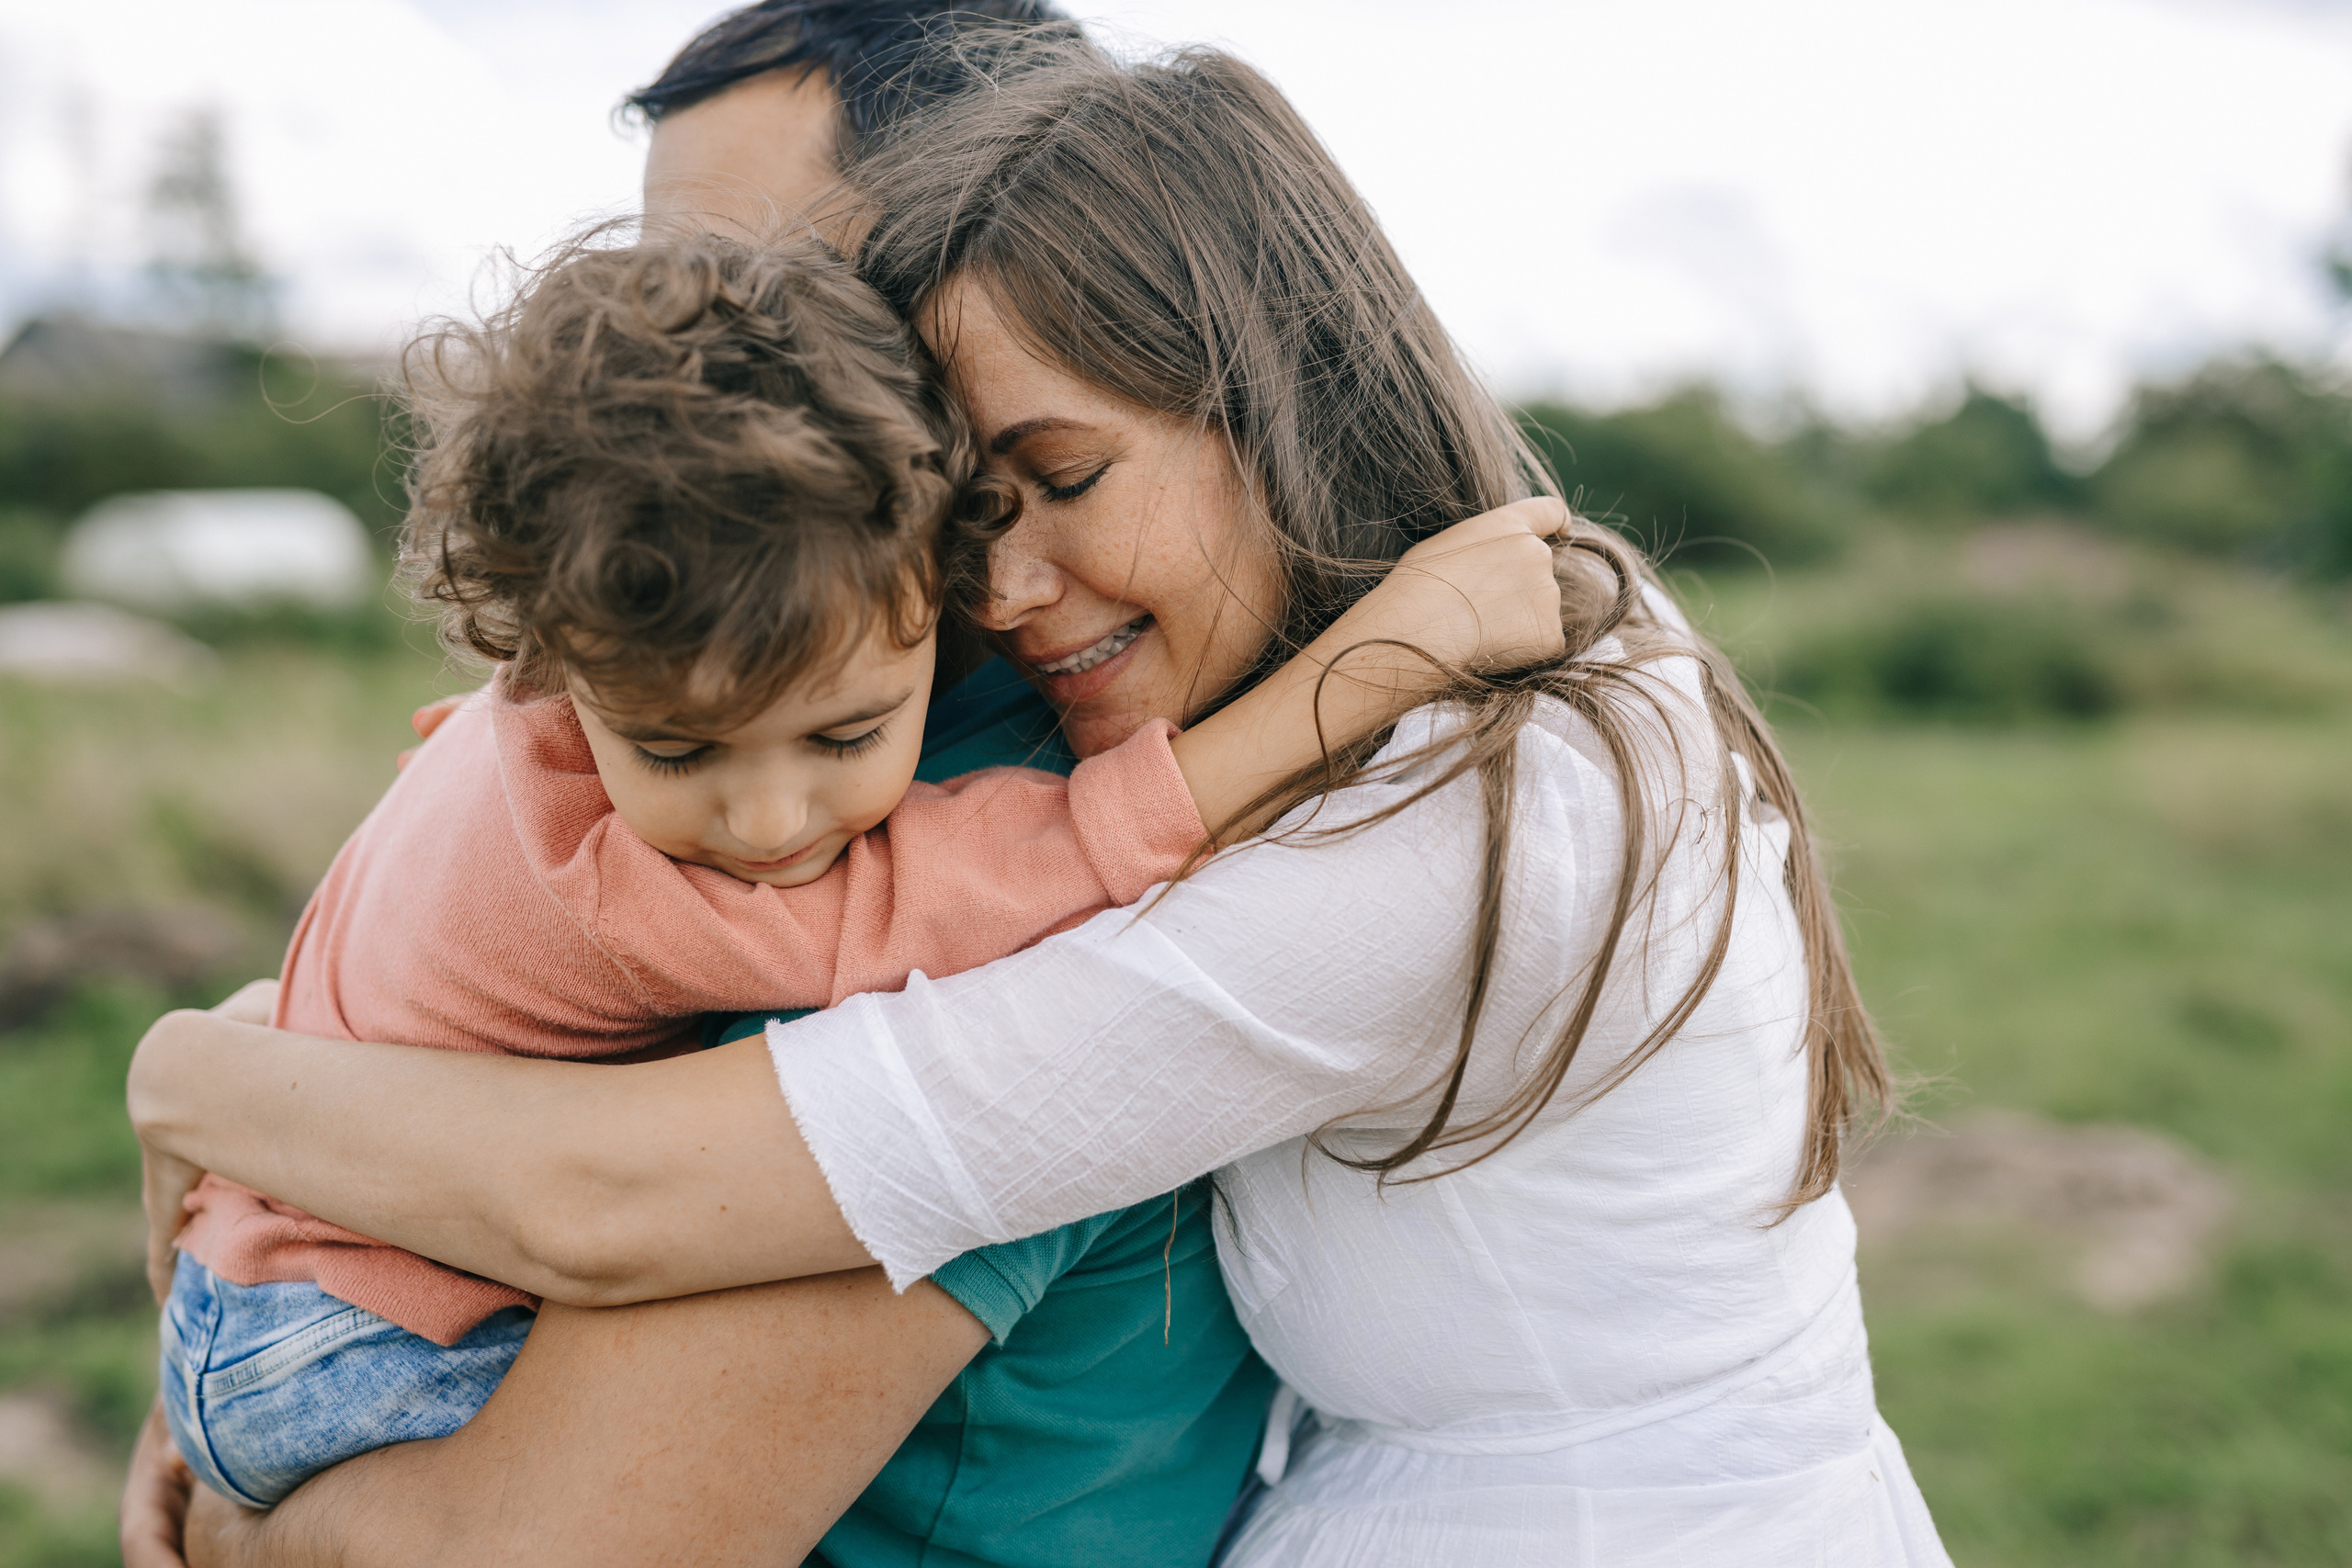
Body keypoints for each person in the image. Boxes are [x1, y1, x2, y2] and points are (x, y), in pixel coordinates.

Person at [128, 30, 1957, 1568]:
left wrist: (207, 1082)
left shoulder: (1424, 807)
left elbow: (612, 1254)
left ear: (1270, 392)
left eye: (1055, 473)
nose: (993, 587)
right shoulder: (1449, 700)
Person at [153, 226, 1562, 1511]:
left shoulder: (531, 702)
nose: (770, 825)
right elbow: (1014, 873)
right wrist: (1377, 662)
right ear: (555, 662)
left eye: (843, 733)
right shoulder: (615, 887)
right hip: (349, 1342)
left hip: (244, 1280)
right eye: (682, 753)